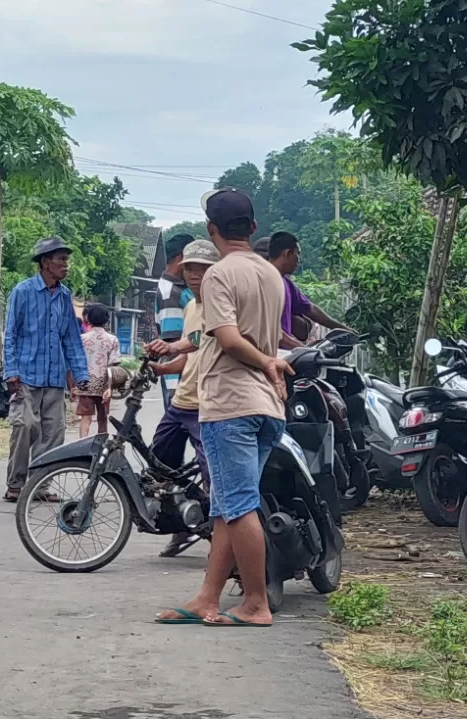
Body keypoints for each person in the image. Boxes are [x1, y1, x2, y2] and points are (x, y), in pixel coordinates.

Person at [156, 187, 290, 629]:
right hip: (267, 407)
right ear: (253, 227)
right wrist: (270, 363)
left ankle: (255, 603)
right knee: (226, 508)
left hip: (231, 402)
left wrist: (266, 361)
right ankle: (207, 597)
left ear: (212, 231)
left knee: (238, 504)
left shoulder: (218, 275)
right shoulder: (271, 274)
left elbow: (230, 341)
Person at [2, 236, 89, 503]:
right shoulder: (23, 291)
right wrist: (11, 370)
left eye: (66, 259)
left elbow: (71, 340)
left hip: (54, 378)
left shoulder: (64, 297)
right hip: (26, 375)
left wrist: (82, 375)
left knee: (54, 432)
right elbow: (11, 334)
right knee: (25, 427)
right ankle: (16, 484)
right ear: (45, 263)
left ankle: (39, 485)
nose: (66, 264)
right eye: (61, 259)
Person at [148, 239, 219, 558]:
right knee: (160, 464)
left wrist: (174, 347)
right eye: (189, 267)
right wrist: (161, 368)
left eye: (201, 268)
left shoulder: (221, 304)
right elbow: (190, 356)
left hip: (207, 405)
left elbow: (198, 342)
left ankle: (221, 541)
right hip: (181, 404)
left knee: (213, 476)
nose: (194, 274)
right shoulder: (190, 305)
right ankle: (180, 526)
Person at [255, 232, 350, 349]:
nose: (298, 261)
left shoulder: (286, 283)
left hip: (283, 354)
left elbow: (310, 309)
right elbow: (271, 331)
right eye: (297, 254)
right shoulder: (263, 281)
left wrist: (343, 329)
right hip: (267, 355)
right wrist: (303, 350)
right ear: (287, 253)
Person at [155, 233, 196, 407]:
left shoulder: (181, 288)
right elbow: (173, 342)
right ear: (181, 257)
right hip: (178, 376)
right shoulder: (170, 293)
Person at [75, 304, 121, 437]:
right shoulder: (112, 340)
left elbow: (76, 363)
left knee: (85, 418)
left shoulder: (81, 339)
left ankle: (81, 445)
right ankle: (101, 448)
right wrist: (110, 388)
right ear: (107, 319)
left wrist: (73, 385)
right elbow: (114, 367)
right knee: (102, 419)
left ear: (88, 318)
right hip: (104, 387)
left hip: (84, 385)